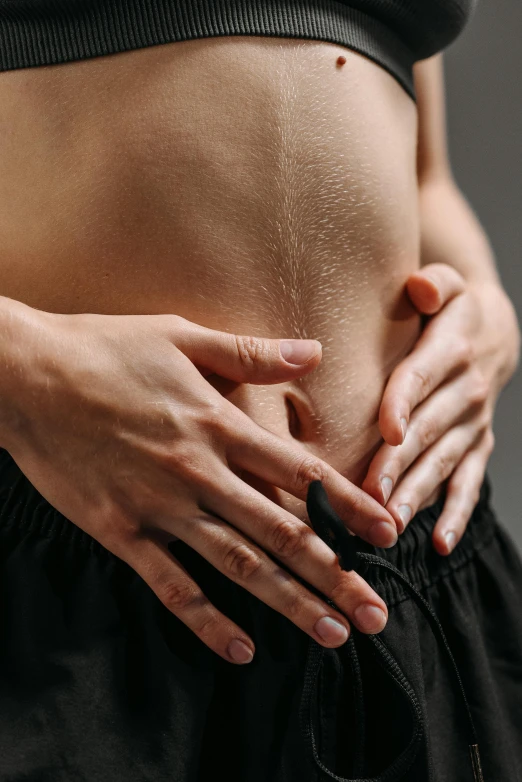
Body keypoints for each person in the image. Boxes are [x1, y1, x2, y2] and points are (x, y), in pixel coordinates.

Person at [0, 1, 520, 780]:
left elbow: (426, 175)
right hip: (86, 554)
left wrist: (488, 305)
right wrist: (21, 370)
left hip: (410, 556)